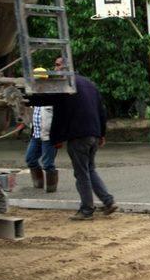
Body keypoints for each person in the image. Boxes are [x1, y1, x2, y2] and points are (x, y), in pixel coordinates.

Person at [27, 60, 117, 220]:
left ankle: (87, 210)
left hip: (78, 137)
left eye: (57, 65)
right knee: (90, 169)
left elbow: (57, 114)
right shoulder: (89, 83)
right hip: (93, 135)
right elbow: (101, 111)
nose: (54, 68)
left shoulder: (64, 86)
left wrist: (55, 138)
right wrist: (102, 134)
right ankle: (108, 201)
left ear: (65, 67)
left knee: (82, 174)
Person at [25, 66, 59, 192]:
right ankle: (38, 183)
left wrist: (58, 136)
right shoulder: (34, 96)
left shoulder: (52, 95)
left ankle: (51, 187)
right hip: (36, 134)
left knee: (48, 163)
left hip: (49, 135)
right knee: (30, 159)